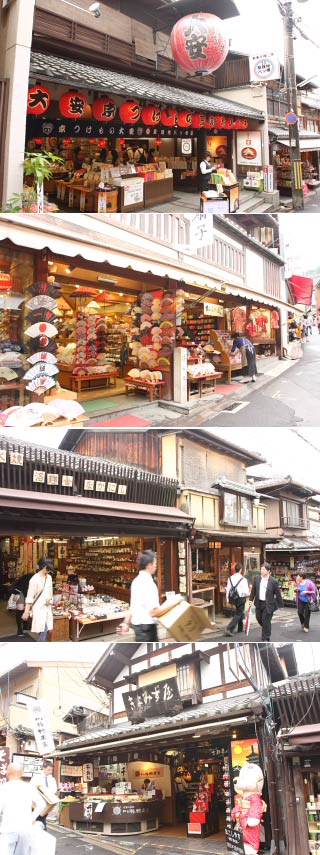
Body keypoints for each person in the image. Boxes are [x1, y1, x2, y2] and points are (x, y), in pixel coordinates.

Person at [117, 550, 182, 642]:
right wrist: (175, 602)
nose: (156, 566)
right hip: (147, 629)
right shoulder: (148, 584)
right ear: (149, 565)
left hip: (139, 629)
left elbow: (133, 606)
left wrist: (125, 623)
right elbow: (154, 612)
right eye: (155, 563)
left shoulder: (136, 581)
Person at [0, 762, 41, 855]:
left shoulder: (4, 788)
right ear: (21, 774)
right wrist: (32, 818)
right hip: (25, 827)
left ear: (7, 773)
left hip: (9, 827)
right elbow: (41, 804)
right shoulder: (29, 787)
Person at [22, 557, 54, 642]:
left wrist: (50, 600)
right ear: (43, 566)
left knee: (46, 630)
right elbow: (29, 596)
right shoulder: (34, 579)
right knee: (43, 629)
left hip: (47, 607)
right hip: (38, 608)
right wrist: (26, 611)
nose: (49, 570)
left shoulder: (49, 578)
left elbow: (50, 592)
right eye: (48, 568)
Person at [249, 563, 283, 641]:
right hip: (259, 602)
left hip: (268, 604)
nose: (262, 571)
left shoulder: (273, 581)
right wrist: (250, 600)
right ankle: (266, 628)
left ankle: (266, 637)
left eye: (263, 569)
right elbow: (253, 591)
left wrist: (280, 605)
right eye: (261, 569)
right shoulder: (257, 579)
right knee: (258, 618)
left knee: (265, 620)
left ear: (268, 571)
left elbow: (278, 594)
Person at [225, 563, 250, 637]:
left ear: (235, 569)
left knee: (239, 611)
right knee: (239, 613)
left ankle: (240, 628)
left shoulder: (230, 578)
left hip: (233, 598)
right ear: (241, 570)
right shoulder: (243, 579)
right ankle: (229, 628)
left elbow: (228, 590)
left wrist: (227, 599)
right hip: (241, 598)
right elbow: (246, 591)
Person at [32, 762, 58, 829]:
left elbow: (54, 790)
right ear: (44, 769)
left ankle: (42, 832)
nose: (50, 772)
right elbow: (31, 788)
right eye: (49, 770)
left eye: (51, 770)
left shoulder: (52, 779)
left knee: (43, 819)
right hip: (36, 803)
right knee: (36, 819)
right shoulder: (36, 777)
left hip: (47, 803)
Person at [8, 572, 34, 636]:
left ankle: (26, 625)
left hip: (29, 593)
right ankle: (19, 629)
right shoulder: (30, 577)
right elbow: (18, 586)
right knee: (20, 609)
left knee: (27, 609)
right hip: (20, 591)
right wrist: (17, 593)